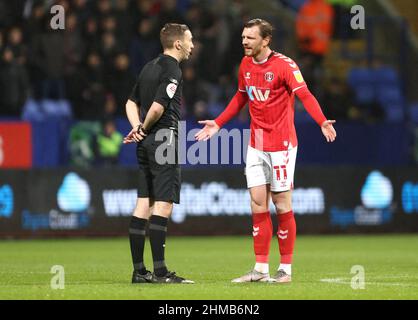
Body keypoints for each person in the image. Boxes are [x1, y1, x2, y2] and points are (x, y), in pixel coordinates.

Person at [195, 18, 336, 283]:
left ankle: (285, 269)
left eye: (250, 38)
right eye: (243, 37)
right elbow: (240, 97)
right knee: (258, 203)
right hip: (256, 144)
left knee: (282, 204)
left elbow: (304, 95)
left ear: (265, 40)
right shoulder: (246, 64)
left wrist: (321, 121)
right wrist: (218, 123)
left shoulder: (285, 65)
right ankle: (260, 269)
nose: (244, 42)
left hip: (281, 145)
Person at [123, 23, 194, 284]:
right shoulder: (172, 68)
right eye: (189, 40)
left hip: (146, 143)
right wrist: (143, 126)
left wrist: (137, 130)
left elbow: (131, 102)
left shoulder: (149, 66)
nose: (192, 45)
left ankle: (140, 271)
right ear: (178, 44)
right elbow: (156, 108)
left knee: (144, 203)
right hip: (164, 139)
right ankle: (161, 273)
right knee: (163, 205)